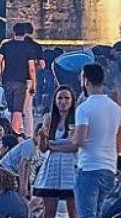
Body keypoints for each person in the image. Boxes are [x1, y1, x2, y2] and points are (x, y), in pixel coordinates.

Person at [58, 63, 121, 218]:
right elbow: (118, 144)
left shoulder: (84, 108)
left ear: (86, 81)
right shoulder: (116, 109)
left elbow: (78, 142)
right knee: (98, 213)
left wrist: (55, 146)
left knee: (86, 214)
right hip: (109, 168)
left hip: (89, 168)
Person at [34, 86, 77, 218]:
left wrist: (53, 145)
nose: (63, 101)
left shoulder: (76, 120)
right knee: (49, 212)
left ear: (72, 101)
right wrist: (42, 138)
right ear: (55, 101)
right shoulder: (49, 119)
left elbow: (74, 145)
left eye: (66, 98)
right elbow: (43, 148)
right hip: (52, 166)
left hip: (70, 166)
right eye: (60, 98)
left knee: (74, 212)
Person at [0, 23, 37, 137]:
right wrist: (34, 84)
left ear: (14, 32)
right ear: (25, 33)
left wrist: (0, 75)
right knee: (18, 110)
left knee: (12, 109)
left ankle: (13, 131)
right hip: (21, 81)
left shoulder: (6, 46)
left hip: (8, 80)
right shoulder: (28, 48)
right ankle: (16, 133)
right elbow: (32, 68)